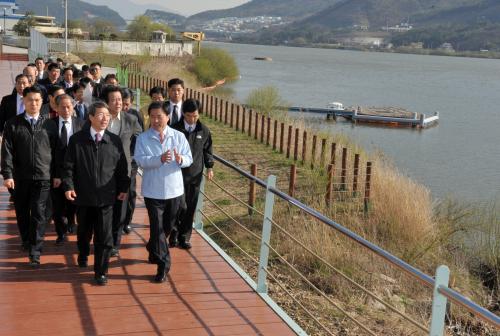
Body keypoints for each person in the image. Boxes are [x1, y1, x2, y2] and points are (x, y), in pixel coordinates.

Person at [62, 101, 129, 285]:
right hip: (83, 197)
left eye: (107, 115)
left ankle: (101, 271)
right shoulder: (77, 140)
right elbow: (68, 167)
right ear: (90, 117)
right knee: (84, 232)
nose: (105, 119)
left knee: (104, 237)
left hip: (107, 198)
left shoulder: (114, 141)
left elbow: (122, 169)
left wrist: (124, 188)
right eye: (100, 115)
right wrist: (68, 186)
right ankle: (83, 253)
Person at [134, 101, 192, 283]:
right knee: (158, 228)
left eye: (159, 116)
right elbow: (140, 160)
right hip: (153, 191)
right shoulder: (143, 138)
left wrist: (180, 158)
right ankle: (163, 265)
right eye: (152, 117)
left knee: (167, 227)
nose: (156, 120)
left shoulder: (178, 136)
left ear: (168, 117)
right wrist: (158, 159)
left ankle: (153, 247)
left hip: (174, 190)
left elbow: (189, 159)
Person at [1, 86, 58, 264]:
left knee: (39, 214)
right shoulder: (13, 124)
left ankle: (35, 250)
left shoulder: (49, 124)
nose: (33, 103)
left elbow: (56, 153)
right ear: (24, 101)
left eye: (37, 100)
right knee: (22, 212)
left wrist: (56, 174)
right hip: (20, 177)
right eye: (30, 100)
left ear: (42, 102)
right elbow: (7, 151)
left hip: (43, 177)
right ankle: (26, 239)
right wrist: (8, 174)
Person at [101, 86, 142, 257]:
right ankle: (103, 239)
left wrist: (132, 159)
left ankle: (114, 244)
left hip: (124, 172)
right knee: (104, 209)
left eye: (120, 99)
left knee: (120, 209)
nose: (118, 103)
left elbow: (140, 138)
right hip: (102, 170)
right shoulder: (100, 118)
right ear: (106, 102)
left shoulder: (131, 119)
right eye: (114, 99)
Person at [172, 99, 214, 249]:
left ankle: (185, 236)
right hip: (177, 174)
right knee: (179, 206)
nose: (192, 119)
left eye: (195, 116)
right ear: (183, 114)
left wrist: (210, 167)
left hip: (195, 175)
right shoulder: (175, 129)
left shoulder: (204, 130)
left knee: (190, 207)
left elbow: (208, 150)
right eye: (189, 115)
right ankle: (174, 232)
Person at [51, 94, 85, 242]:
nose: (66, 109)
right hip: (56, 173)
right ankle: (61, 233)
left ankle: (71, 222)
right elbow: (47, 153)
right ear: (56, 108)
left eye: (69, 106)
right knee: (58, 206)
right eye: (62, 107)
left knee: (73, 203)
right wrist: (55, 174)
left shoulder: (82, 125)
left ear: (73, 107)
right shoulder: (49, 125)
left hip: (76, 173)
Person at [121, 87, 144, 235]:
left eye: (127, 104)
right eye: (121, 103)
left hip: (131, 160)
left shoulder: (135, 115)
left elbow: (140, 137)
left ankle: (127, 221)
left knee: (130, 191)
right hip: (114, 161)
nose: (124, 107)